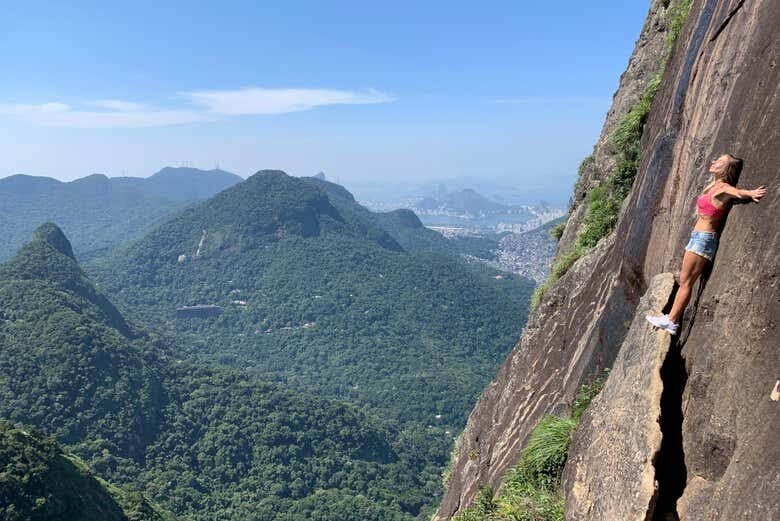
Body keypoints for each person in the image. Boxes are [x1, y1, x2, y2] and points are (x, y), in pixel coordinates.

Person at [646, 154, 767, 334]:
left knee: (686, 282)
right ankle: (670, 318)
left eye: (719, 162)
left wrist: (751, 193)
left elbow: (737, 192)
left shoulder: (724, 188)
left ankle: (671, 321)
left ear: (725, 169)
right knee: (685, 280)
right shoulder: (714, 184)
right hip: (697, 237)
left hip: (703, 239)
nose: (713, 162)